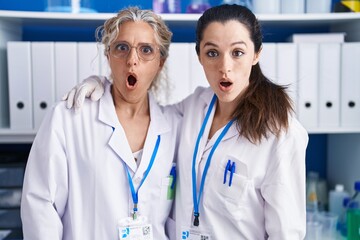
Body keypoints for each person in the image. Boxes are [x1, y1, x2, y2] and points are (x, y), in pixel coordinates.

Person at [64, 4, 309, 239]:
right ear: (199, 57)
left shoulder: (281, 134)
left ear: (256, 54)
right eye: (212, 53)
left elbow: (287, 234)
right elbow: (142, 111)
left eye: (238, 53)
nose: (225, 67)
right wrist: (103, 85)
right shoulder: (194, 107)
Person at [21, 7, 180, 240]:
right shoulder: (68, 118)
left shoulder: (176, 127)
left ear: (160, 62)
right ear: (108, 55)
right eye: (122, 48)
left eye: (146, 50)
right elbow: (40, 207)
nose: (132, 61)